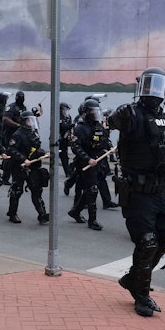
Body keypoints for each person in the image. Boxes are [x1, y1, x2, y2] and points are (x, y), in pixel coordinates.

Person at [108, 67, 165, 317]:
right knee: (147, 241)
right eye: (148, 86)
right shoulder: (132, 115)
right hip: (137, 192)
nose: (153, 92)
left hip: (161, 192)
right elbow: (113, 122)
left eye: (158, 86)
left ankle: (133, 278)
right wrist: (119, 115)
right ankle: (142, 294)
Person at [68, 98, 111, 231]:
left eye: (96, 111)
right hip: (86, 162)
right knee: (92, 190)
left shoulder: (98, 125)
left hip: (98, 161)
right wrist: (87, 159)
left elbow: (103, 140)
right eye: (92, 111)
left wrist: (108, 148)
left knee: (88, 190)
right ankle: (92, 220)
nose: (95, 114)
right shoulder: (81, 127)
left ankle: (75, 211)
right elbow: (75, 147)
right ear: (86, 112)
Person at [6, 112, 49, 224]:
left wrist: (43, 153)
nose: (31, 122)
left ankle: (42, 214)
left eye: (32, 120)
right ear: (24, 121)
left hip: (33, 166)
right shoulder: (17, 134)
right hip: (20, 167)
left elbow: (36, 148)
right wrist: (23, 159)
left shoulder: (34, 133)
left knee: (36, 190)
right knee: (17, 191)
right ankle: (12, 213)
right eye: (29, 120)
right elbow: (11, 150)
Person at [58, 101, 73, 176]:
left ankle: (68, 171)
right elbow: (63, 126)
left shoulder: (67, 117)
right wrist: (72, 125)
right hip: (58, 139)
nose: (65, 111)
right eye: (64, 110)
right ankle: (67, 172)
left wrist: (70, 135)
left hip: (65, 139)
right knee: (63, 156)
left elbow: (69, 128)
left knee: (65, 156)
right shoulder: (58, 117)